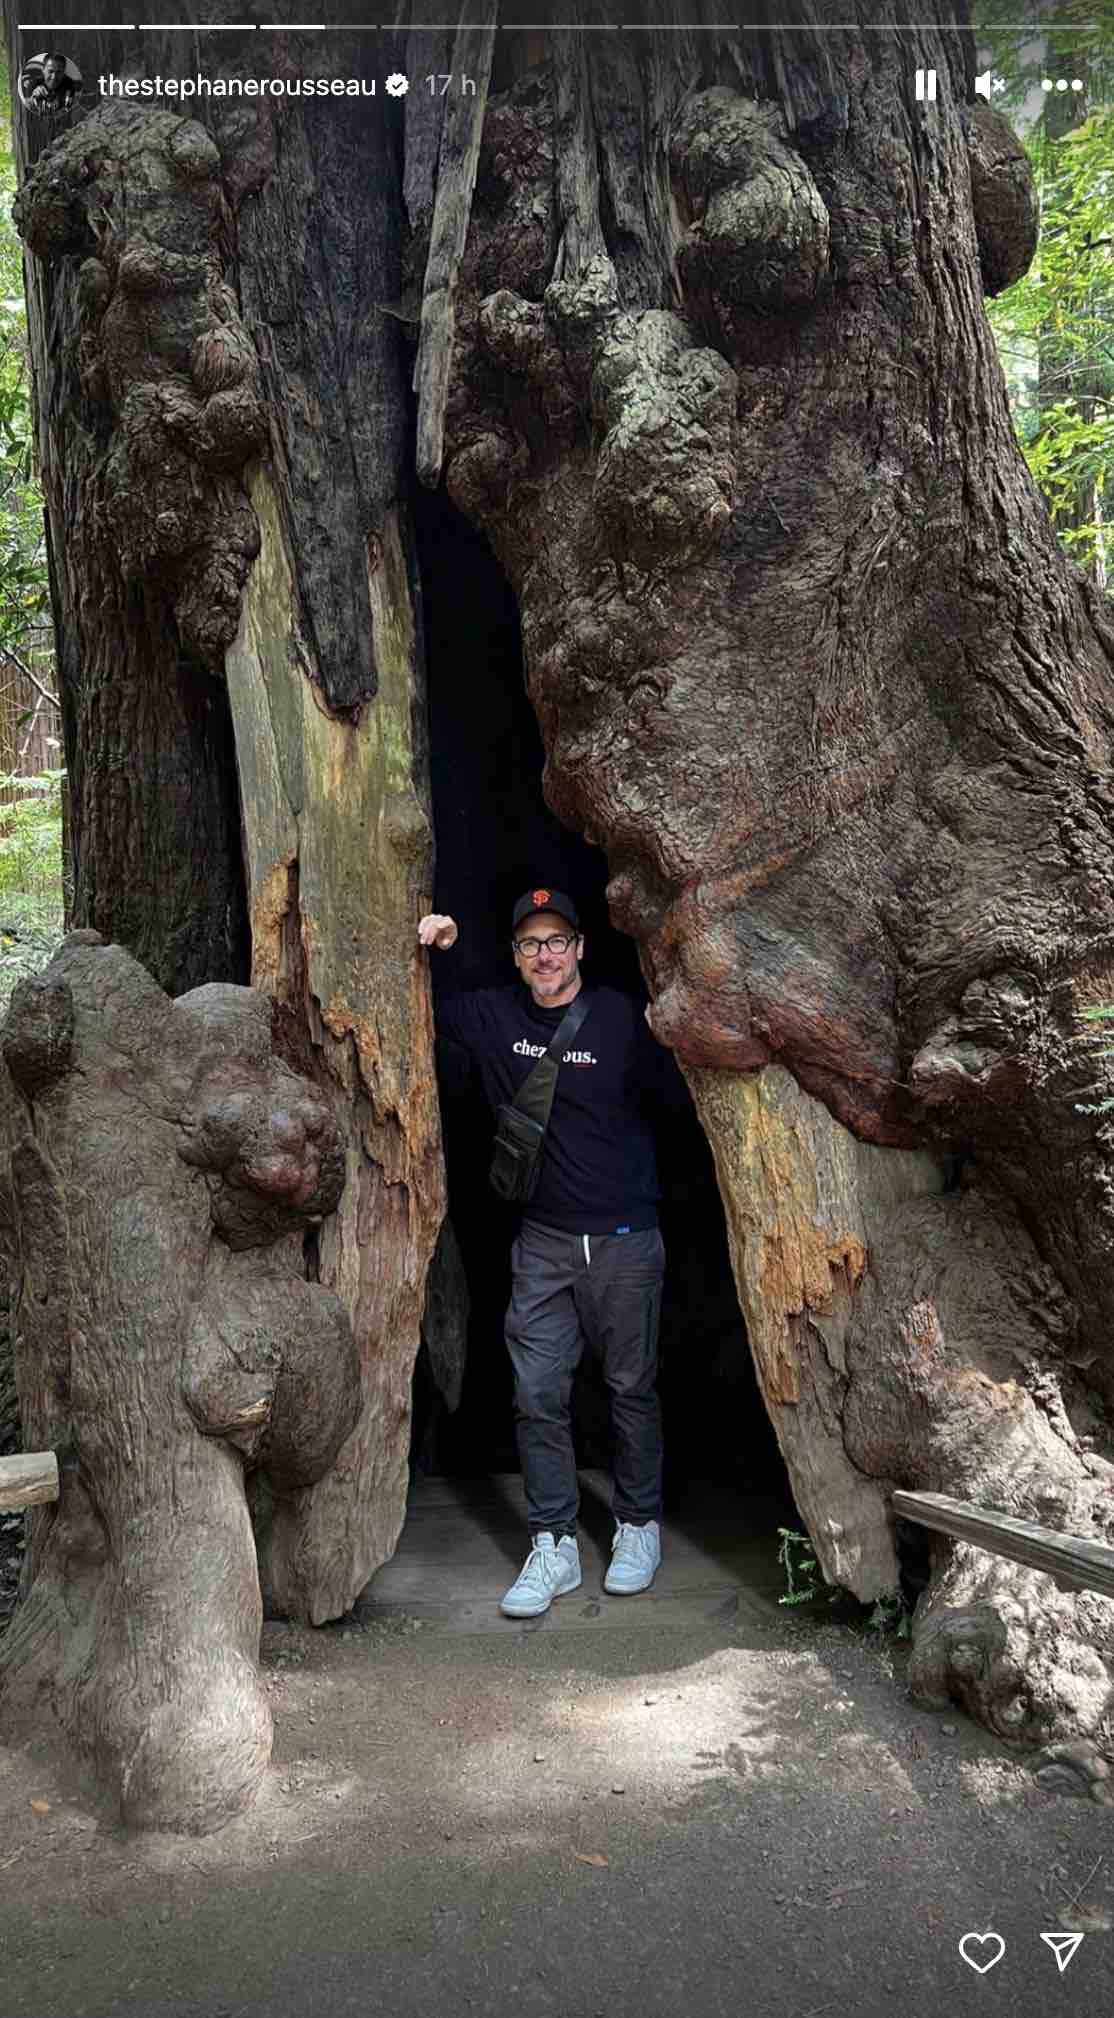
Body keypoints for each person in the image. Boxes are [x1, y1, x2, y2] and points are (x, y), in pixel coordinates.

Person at [418, 887, 681, 1619]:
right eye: (531, 944)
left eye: (557, 940)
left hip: (628, 1239)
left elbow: (678, 1097)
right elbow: (431, 1003)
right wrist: (437, 945)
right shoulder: (495, 1017)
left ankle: (636, 1526)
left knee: (630, 1387)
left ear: (581, 948)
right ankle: (553, 1544)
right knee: (537, 1394)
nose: (545, 955)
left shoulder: (624, 1019)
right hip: (544, 1244)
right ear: (515, 956)